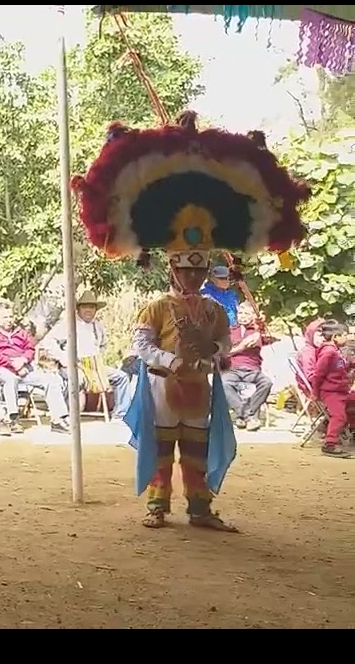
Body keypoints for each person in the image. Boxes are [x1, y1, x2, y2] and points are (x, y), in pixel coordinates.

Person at [73, 111, 309, 531]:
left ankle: (199, 508)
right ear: (172, 271)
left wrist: (212, 353)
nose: (193, 277)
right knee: (163, 450)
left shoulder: (215, 309)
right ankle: (157, 508)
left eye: (199, 272)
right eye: (186, 272)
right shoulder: (157, 308)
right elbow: (141, 346)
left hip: (200, 389)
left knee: (196, 451)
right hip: (165, 385)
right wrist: (174, 358)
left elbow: (224, 343)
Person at [0, 301, 72, 433]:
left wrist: (23, 360)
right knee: (10, 379)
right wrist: (13, 364)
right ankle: (13, 419)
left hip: (24, 368)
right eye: (5, 317)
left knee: (50, 379)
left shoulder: (20, 332)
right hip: (1, 370)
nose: (9, 320)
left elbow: (30, 348)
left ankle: (58, 420)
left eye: (11, 316)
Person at [41, 290, 129, 420]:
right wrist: (64, 358)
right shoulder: (68, 324)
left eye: (92, 307)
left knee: (121, 377)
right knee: (78, 379)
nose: (88, 310)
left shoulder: (97, 326)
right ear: (78, 309)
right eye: (85, 307)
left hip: (94, 367)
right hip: (75, 366)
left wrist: (98, 358)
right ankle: (65, 415)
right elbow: (48, 342)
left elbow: (103, 344)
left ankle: (120, 414)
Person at [221, 302, 275, 432]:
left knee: (267, 383)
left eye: (246, 313)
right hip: (233, 368)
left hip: (253, 369)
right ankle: (248, 416)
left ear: (252, 316)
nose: (242, 316)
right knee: (224, 384)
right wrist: (241, 347)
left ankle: (242, 415)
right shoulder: (229, 330)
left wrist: (261, 327)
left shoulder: (257, 331)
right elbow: (222, 353)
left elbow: (271, 338)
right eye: (240, 313)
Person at [310, 319, 353, 458]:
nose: (347, 337)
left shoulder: (336, 351)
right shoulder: (328, 353)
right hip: (331, 391)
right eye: (344, 335)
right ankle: (330, 444)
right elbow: (318, 374)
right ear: (335, 337)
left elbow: (343, 366)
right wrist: (315, 393)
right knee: (339, 416)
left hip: (340, 390)